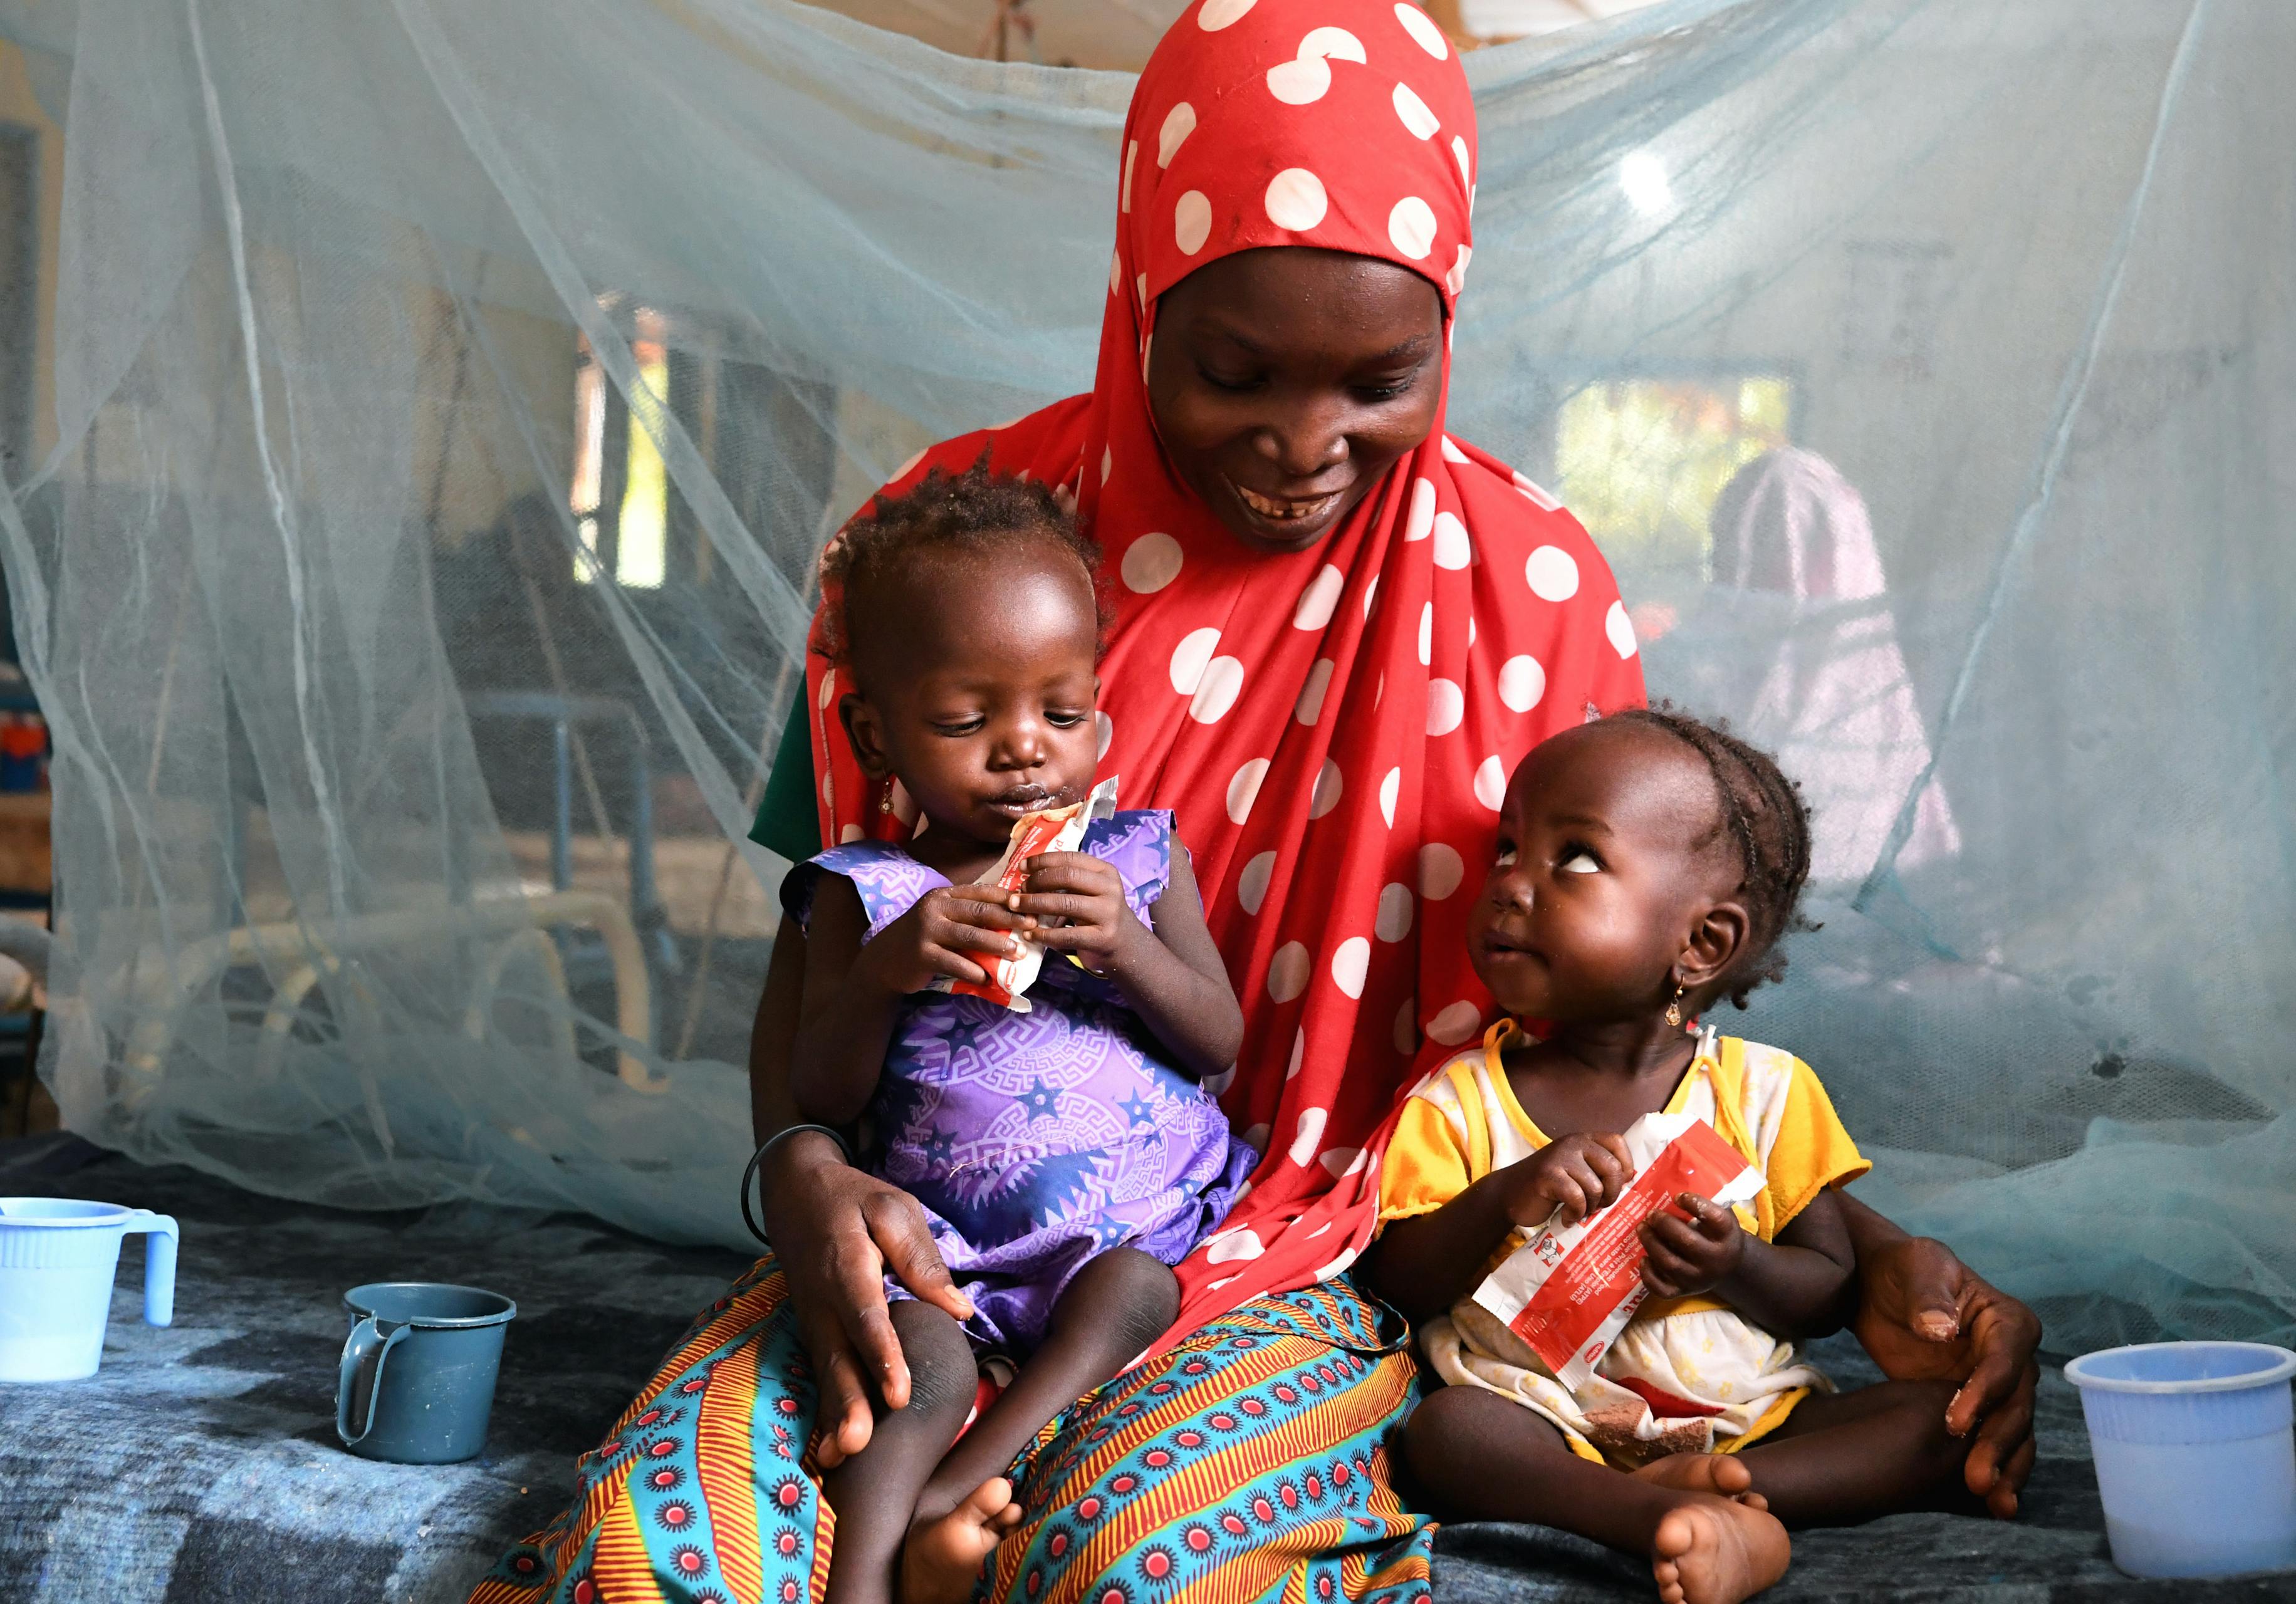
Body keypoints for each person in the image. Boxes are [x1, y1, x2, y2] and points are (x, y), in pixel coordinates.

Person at [472, 3, 2038, 1599]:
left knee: (1143, 1566)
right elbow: (828, 921)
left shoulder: (1531, 590)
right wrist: (803, 1169)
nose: (1305, 445)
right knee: (665, 1552)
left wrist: (1878, 1258)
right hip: (923, 1227)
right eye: (1234, 372)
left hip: (1323, 1249)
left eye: (1382, 378)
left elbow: (1625, 1000)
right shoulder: (951, 555)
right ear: (1141, 289)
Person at [1367, 711, 1975, 1604]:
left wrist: (1736, 1264)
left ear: (1701, 943)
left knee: (1946, 1422)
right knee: (1446, 1434)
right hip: (1547, 1418)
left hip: (1748, 1420)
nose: (1509, 885)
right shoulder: (1460, 1100)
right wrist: (1505, 1196)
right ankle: (1650, 1515)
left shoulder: (1765, 1093)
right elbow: (1399, 1286)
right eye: (1507, 848)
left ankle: (1727, 1498)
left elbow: (1832, 1292)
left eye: (1572, 859)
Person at [790, 463, 1256, 1604]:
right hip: (943, 1245)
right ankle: (866, 1578)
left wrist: (1134, 950)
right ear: (877, 732)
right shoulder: (868, 891)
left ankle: (968, 1491)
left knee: (1136, 1293)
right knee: (918, 1371)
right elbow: (822, 1093)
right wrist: (882, 979)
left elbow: (1219, 1043)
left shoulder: (1140, 858)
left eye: (1061, 712)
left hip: (1118, 1223)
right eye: (965, 718)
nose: (1024, 749)